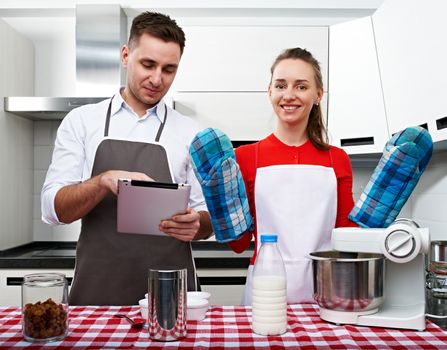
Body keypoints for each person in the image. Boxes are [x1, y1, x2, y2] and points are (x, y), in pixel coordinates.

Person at [41, 12, 212, 306]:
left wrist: (198, 224)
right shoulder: (81, 121)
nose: (157, 79)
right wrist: (103, 182)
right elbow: (54, 210)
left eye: (169, 69)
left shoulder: (192, 132)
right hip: (97, 293)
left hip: (170, 296)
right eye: (148, 64)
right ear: (125, 55)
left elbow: (206, 217)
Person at [228, 48, 357, 305]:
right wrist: (221, 202)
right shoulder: (244, 157)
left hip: (325, 288)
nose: (289, 95)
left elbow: (348, 236)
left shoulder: (337, 159)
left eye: (301, 87)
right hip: (264, 290)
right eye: (281, 85)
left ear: (318, 94)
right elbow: (239, 243)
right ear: (270, 92)